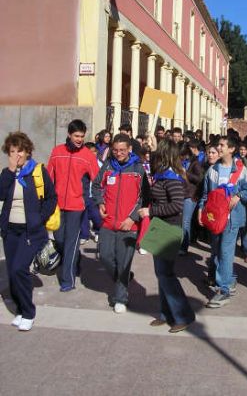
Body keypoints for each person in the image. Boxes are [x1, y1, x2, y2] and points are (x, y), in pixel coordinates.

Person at [0, 132, 57, 331]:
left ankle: (28, 312)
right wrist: (9, 170)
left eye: (20, 151)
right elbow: (0, 194)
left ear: (28, 151)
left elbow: (51, 198)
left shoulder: (37, 172)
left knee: (19, 269)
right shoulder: (7, 173)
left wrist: (40, 218)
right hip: (10, 231)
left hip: (30, 232)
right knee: (11, 272)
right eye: (12, 151)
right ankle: (19, 309)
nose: (16, 155)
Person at [138, 139, 195, 333]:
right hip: (160, 227)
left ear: (165, 155)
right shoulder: (163, 173)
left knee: (166, 274)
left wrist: (150, 212)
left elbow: (177, 205)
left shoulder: (171, 178)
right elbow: (154, 168)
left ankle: (183, 315)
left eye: (156, 153)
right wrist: (153, 148)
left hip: (169, 229)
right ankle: (166, 313)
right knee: (161, 274)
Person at [92, 133, 150, 313]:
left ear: (130, 149)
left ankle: (121, 298)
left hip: (129, 225)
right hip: (108, 222)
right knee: (105, 257)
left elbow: (145, 197)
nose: (118, 154)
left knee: (124, 262)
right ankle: (123, 278)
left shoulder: (139, 169)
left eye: (122, 150)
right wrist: (100, 202)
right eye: (115, 150)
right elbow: (96, 186)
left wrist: (132, 217)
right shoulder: (108, 166)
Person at [198, 135, 247, 308]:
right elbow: (206, 195)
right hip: (215, 220)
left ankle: (223, 291)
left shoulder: (240, 170)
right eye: (218, 145)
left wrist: (238, 195)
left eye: (222, 145)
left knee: (225, 252)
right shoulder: (212, 170)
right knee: (216, 251)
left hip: (231, 220)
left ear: (231, 149)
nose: (219, 148)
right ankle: (229, 279)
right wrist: (201, 210)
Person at [47, 119, 99, 292]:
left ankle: (67, 281)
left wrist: (98, 201)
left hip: (77, 206)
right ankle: (75, 259)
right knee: (60, 239)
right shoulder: (57, 152)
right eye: (76, 136)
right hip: (57, 205)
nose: (79, 139)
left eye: (82, 137)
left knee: (70, 242)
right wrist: (47, 200)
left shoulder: (87, 156)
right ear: (69, 134)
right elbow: (49, 178)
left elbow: (98, 180)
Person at [179, 143, 203, 255]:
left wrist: (186, 173)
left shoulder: (195, 163)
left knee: (186, 221)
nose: (181, 157)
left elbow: (199, 179)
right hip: (181, 193)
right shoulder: (180, 162)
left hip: (191, 196)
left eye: (182, 155)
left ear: (187, 154)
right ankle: (180, 243)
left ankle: (184, 247)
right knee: (181, 221)